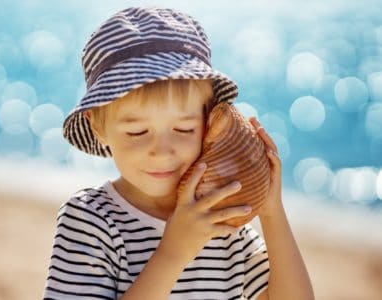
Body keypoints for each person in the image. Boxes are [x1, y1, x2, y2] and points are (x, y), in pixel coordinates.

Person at [43, 6, 314, 300]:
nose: (162, 152)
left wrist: (271, 213)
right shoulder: (90, 220)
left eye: (184, 129)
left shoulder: (222, 222)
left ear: (209, 122)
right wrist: (172, 254)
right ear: (97, 126)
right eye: (137, 132)